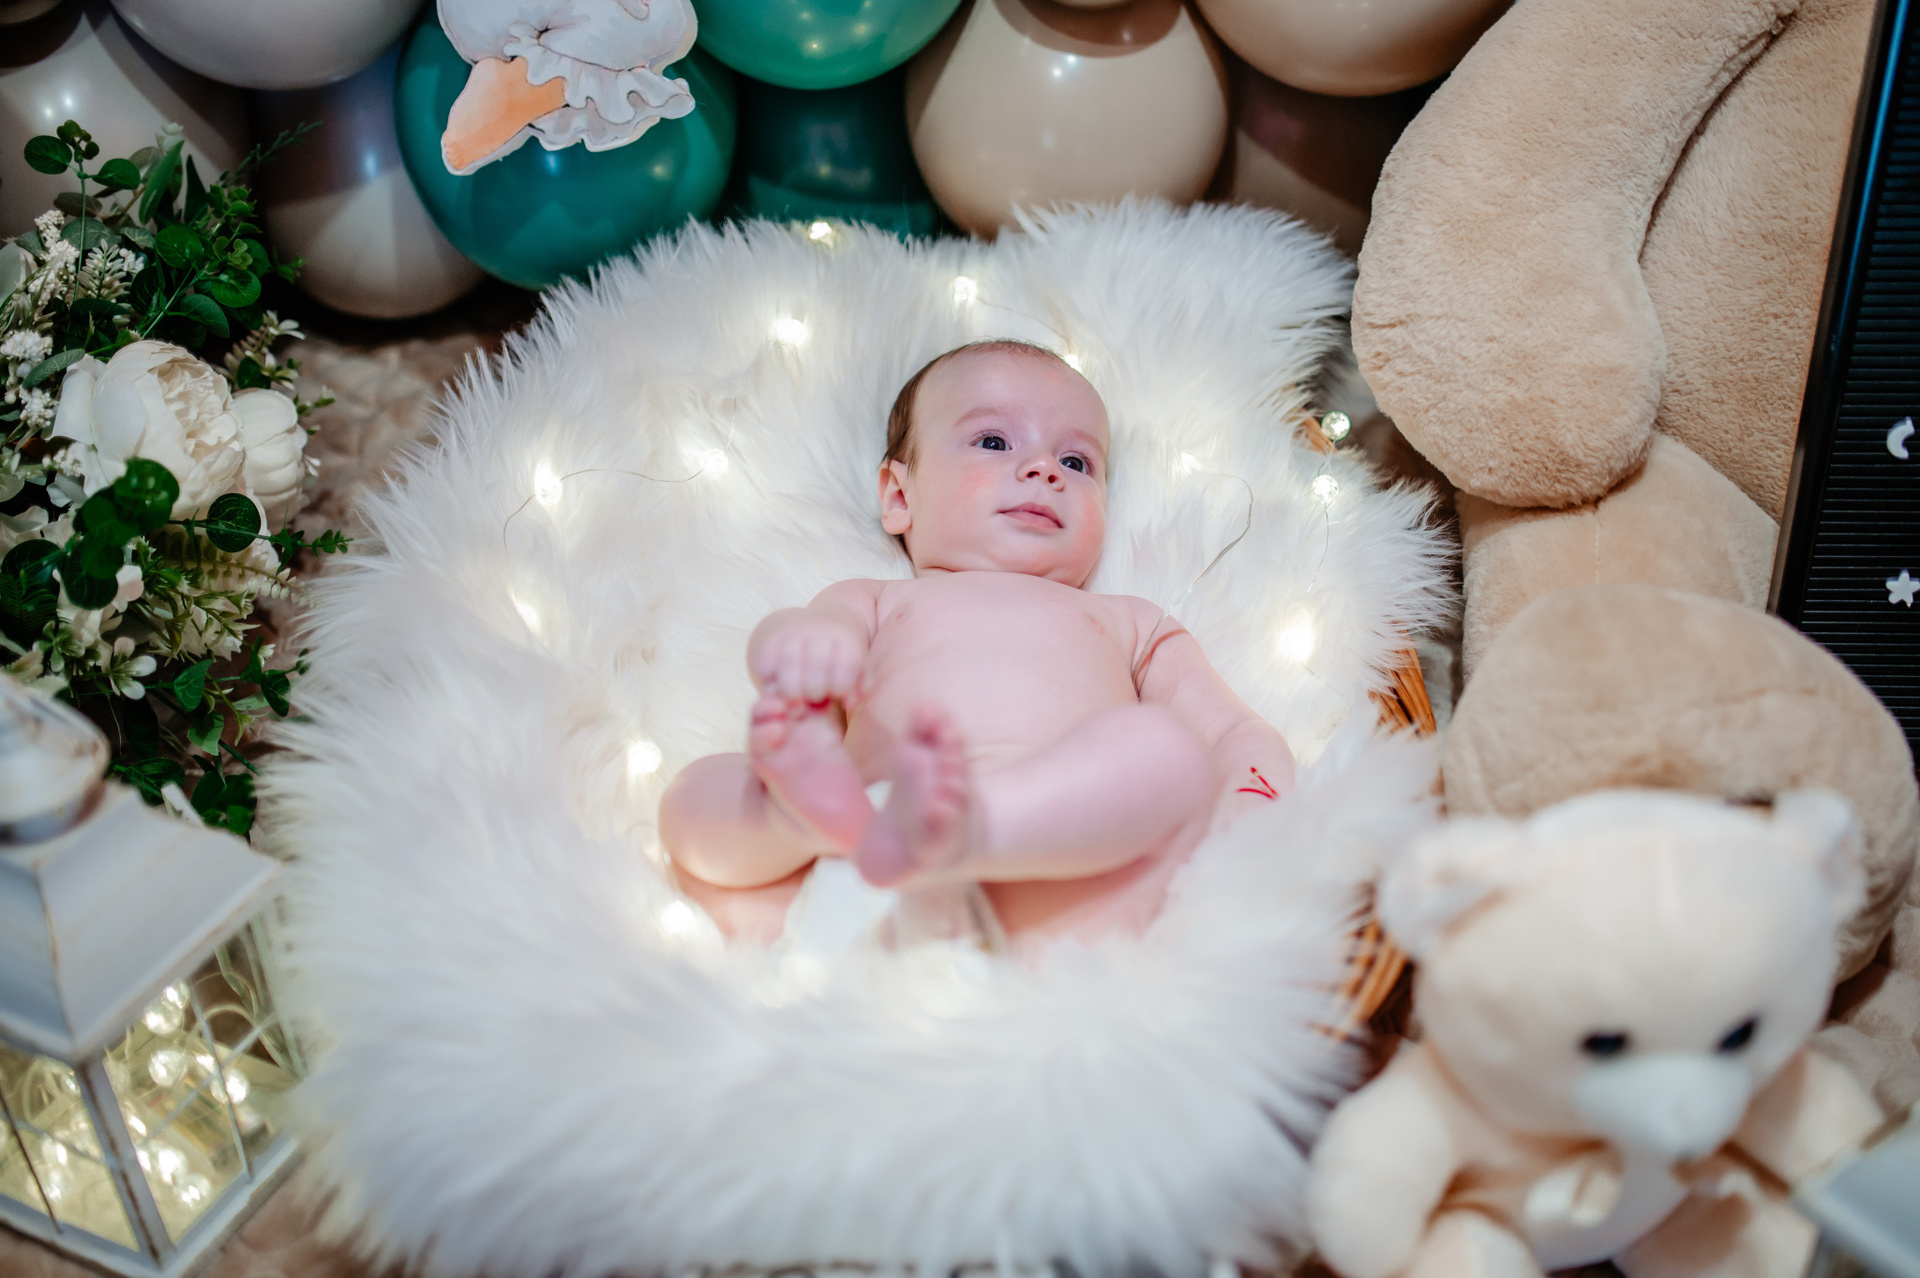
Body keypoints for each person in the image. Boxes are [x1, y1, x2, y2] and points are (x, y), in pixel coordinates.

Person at [659, 341, 1294, 947]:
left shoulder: (1130, 622)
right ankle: (800, 823)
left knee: (1165, 754)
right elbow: (800, 646)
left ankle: (974, 829)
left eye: (1077, 462)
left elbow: (1232, 731)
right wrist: (801, 655)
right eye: (994, 441)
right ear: (900, 495)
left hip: (1069, 900)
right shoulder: (875, 601)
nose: (1045, 470)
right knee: (692, 797)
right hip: (871, 876)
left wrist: (1252, 816)